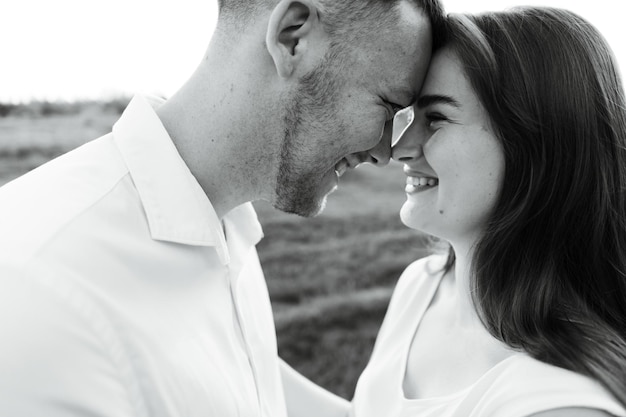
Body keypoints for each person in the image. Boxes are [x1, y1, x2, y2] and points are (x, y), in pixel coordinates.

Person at [0, 0, 445, 415]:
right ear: (293, 38)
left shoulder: (225, 226)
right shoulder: (39, 288)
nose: (385, 152)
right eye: (387, 106)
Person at [351, 7, 626, 417]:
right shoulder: (422, 287)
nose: (397, 146)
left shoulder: (561, 406)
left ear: (536, 146)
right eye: (409, 116)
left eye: (437, 118)